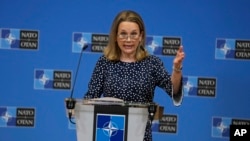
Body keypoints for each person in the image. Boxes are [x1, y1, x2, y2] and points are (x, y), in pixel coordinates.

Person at [83, 10, 185, 141]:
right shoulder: (105, 62)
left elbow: (174, 90)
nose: (128, 40)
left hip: (141, 135)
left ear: (141, 36)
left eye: (133, 34)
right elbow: (90, 98)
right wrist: (81, 110)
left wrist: (176, 69)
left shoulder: (152, 63)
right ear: (115, 36)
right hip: (110, 134)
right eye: (123, 34)